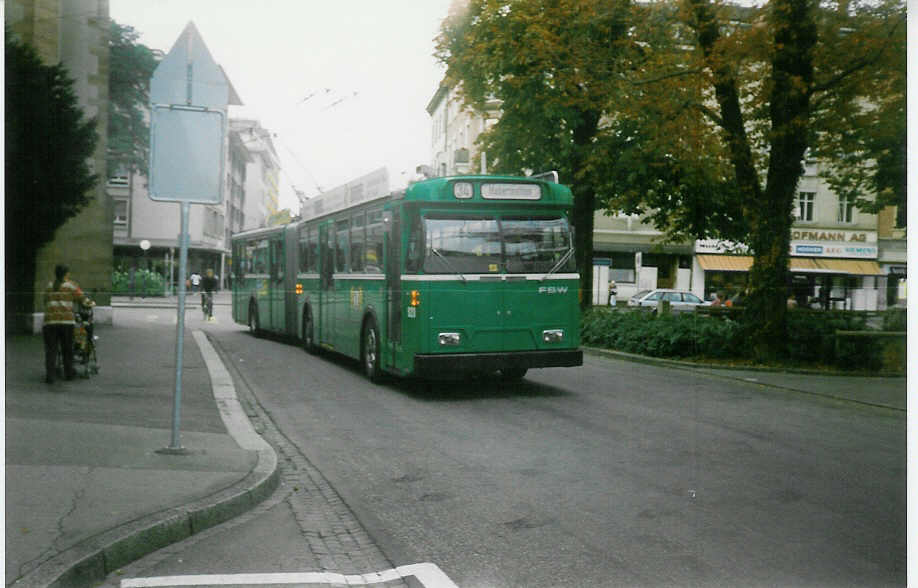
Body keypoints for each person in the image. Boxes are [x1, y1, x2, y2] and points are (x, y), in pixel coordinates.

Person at [43, 264, 93, 383]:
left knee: (51, 350)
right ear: (66, 274)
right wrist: (91, 303)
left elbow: (45, 301)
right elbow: (83, 300)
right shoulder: (71, 286)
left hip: (50, 322)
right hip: (66, 323)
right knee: (67, 349)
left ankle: (50, 376)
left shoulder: (49, 286)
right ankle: (68, 373)